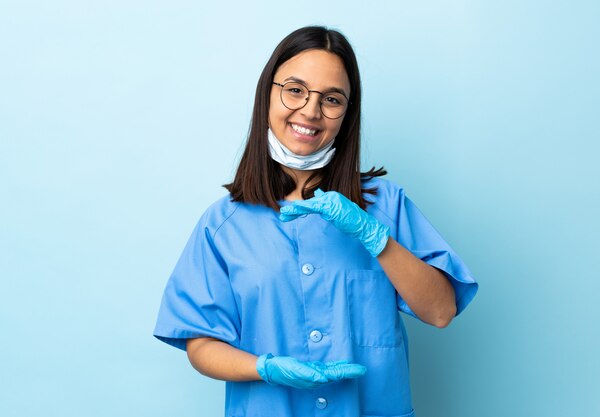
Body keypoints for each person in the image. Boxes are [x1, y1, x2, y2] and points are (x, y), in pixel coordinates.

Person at [153, 25, 478, 417]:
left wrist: (376, 239)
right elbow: (200, 345)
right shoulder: (223, 225)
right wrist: (266, 368)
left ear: (347, 113)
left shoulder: (385, 205)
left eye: (332, 99)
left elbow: (440, 311)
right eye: (295, 90)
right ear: (267, 94)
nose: (310, 110)